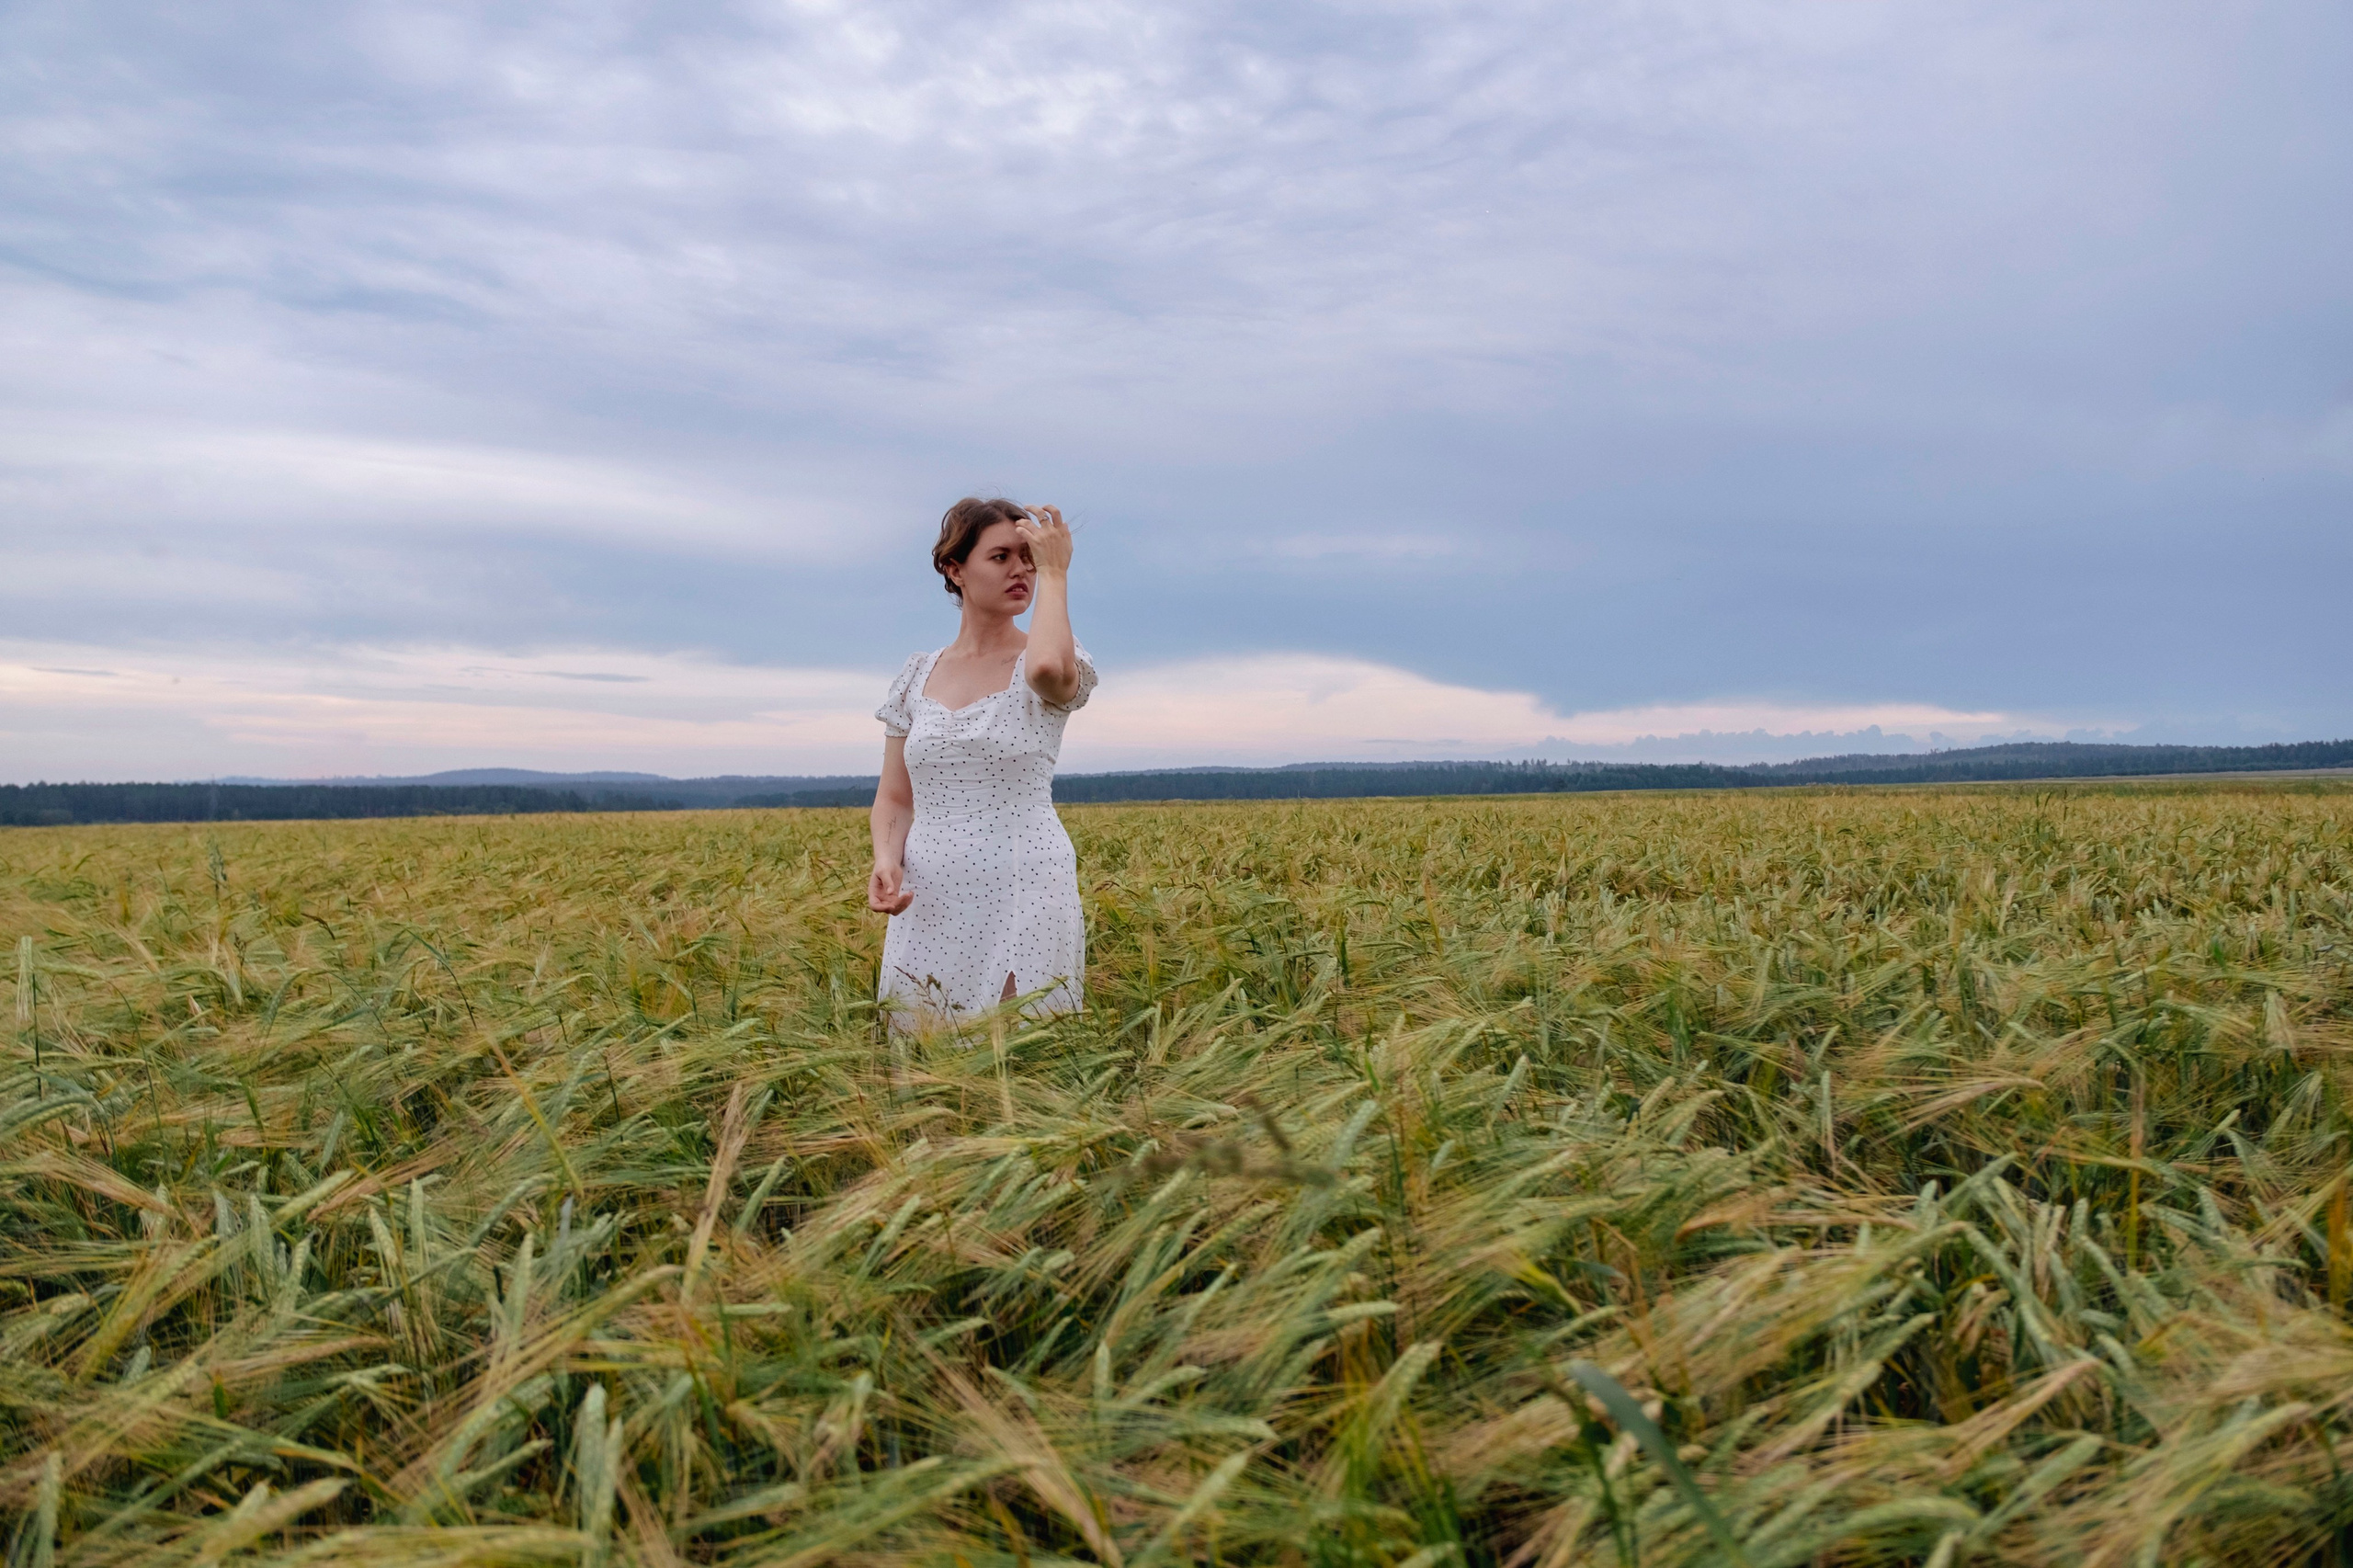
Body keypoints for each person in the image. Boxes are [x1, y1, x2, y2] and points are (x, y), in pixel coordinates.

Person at [867, 498, 1097, 1031]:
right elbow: (896, 795)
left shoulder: (1050, 658)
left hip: (1024, 885)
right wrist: (886, 859)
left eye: (1029, 558)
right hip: (928, 895)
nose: (1021, 570)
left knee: (1019, 1050)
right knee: (922, 1048)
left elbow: (1046, 667)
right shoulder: (917, 674)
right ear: (955, 569)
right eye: (1001, 557)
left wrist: (1057, 572)